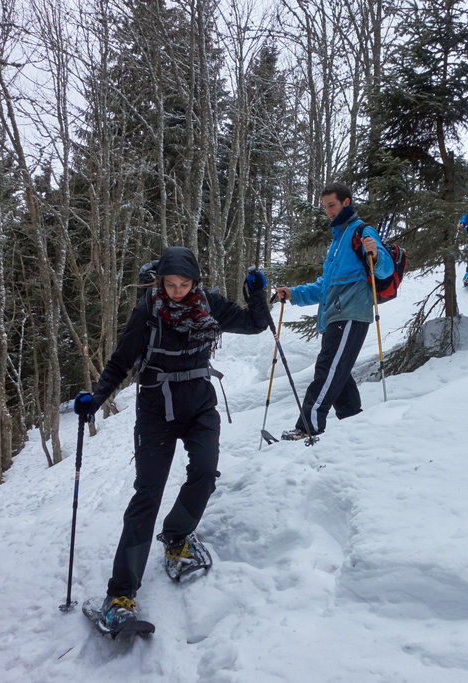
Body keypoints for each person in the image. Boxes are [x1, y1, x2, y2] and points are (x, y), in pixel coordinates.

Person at [74, 246, 270, 629]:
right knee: (148, 493)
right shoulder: (148, 311)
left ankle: (177, 535)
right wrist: (95, 399)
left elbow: (255, 324)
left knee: (205, 472)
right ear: (160, 281)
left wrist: (256, 294)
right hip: (155, 410)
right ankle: (120, 596)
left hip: (198, 403)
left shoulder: (209, 304)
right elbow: (121, 361)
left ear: (195, 282)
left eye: (184, 284)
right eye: (171, 284)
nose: (178, 290)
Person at [274, 182, 394, 441]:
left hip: (351, 314)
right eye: (325, 206)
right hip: (334, 316)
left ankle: (308, 427)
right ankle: (355, 423)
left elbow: (385, 269)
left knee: (327, 369)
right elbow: (324, 287)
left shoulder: (361, 231)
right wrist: (293, 293)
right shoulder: (338, 241)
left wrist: (376, 254)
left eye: (332, 205)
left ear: (346, 203)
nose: (328, 211)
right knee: (337, 371)